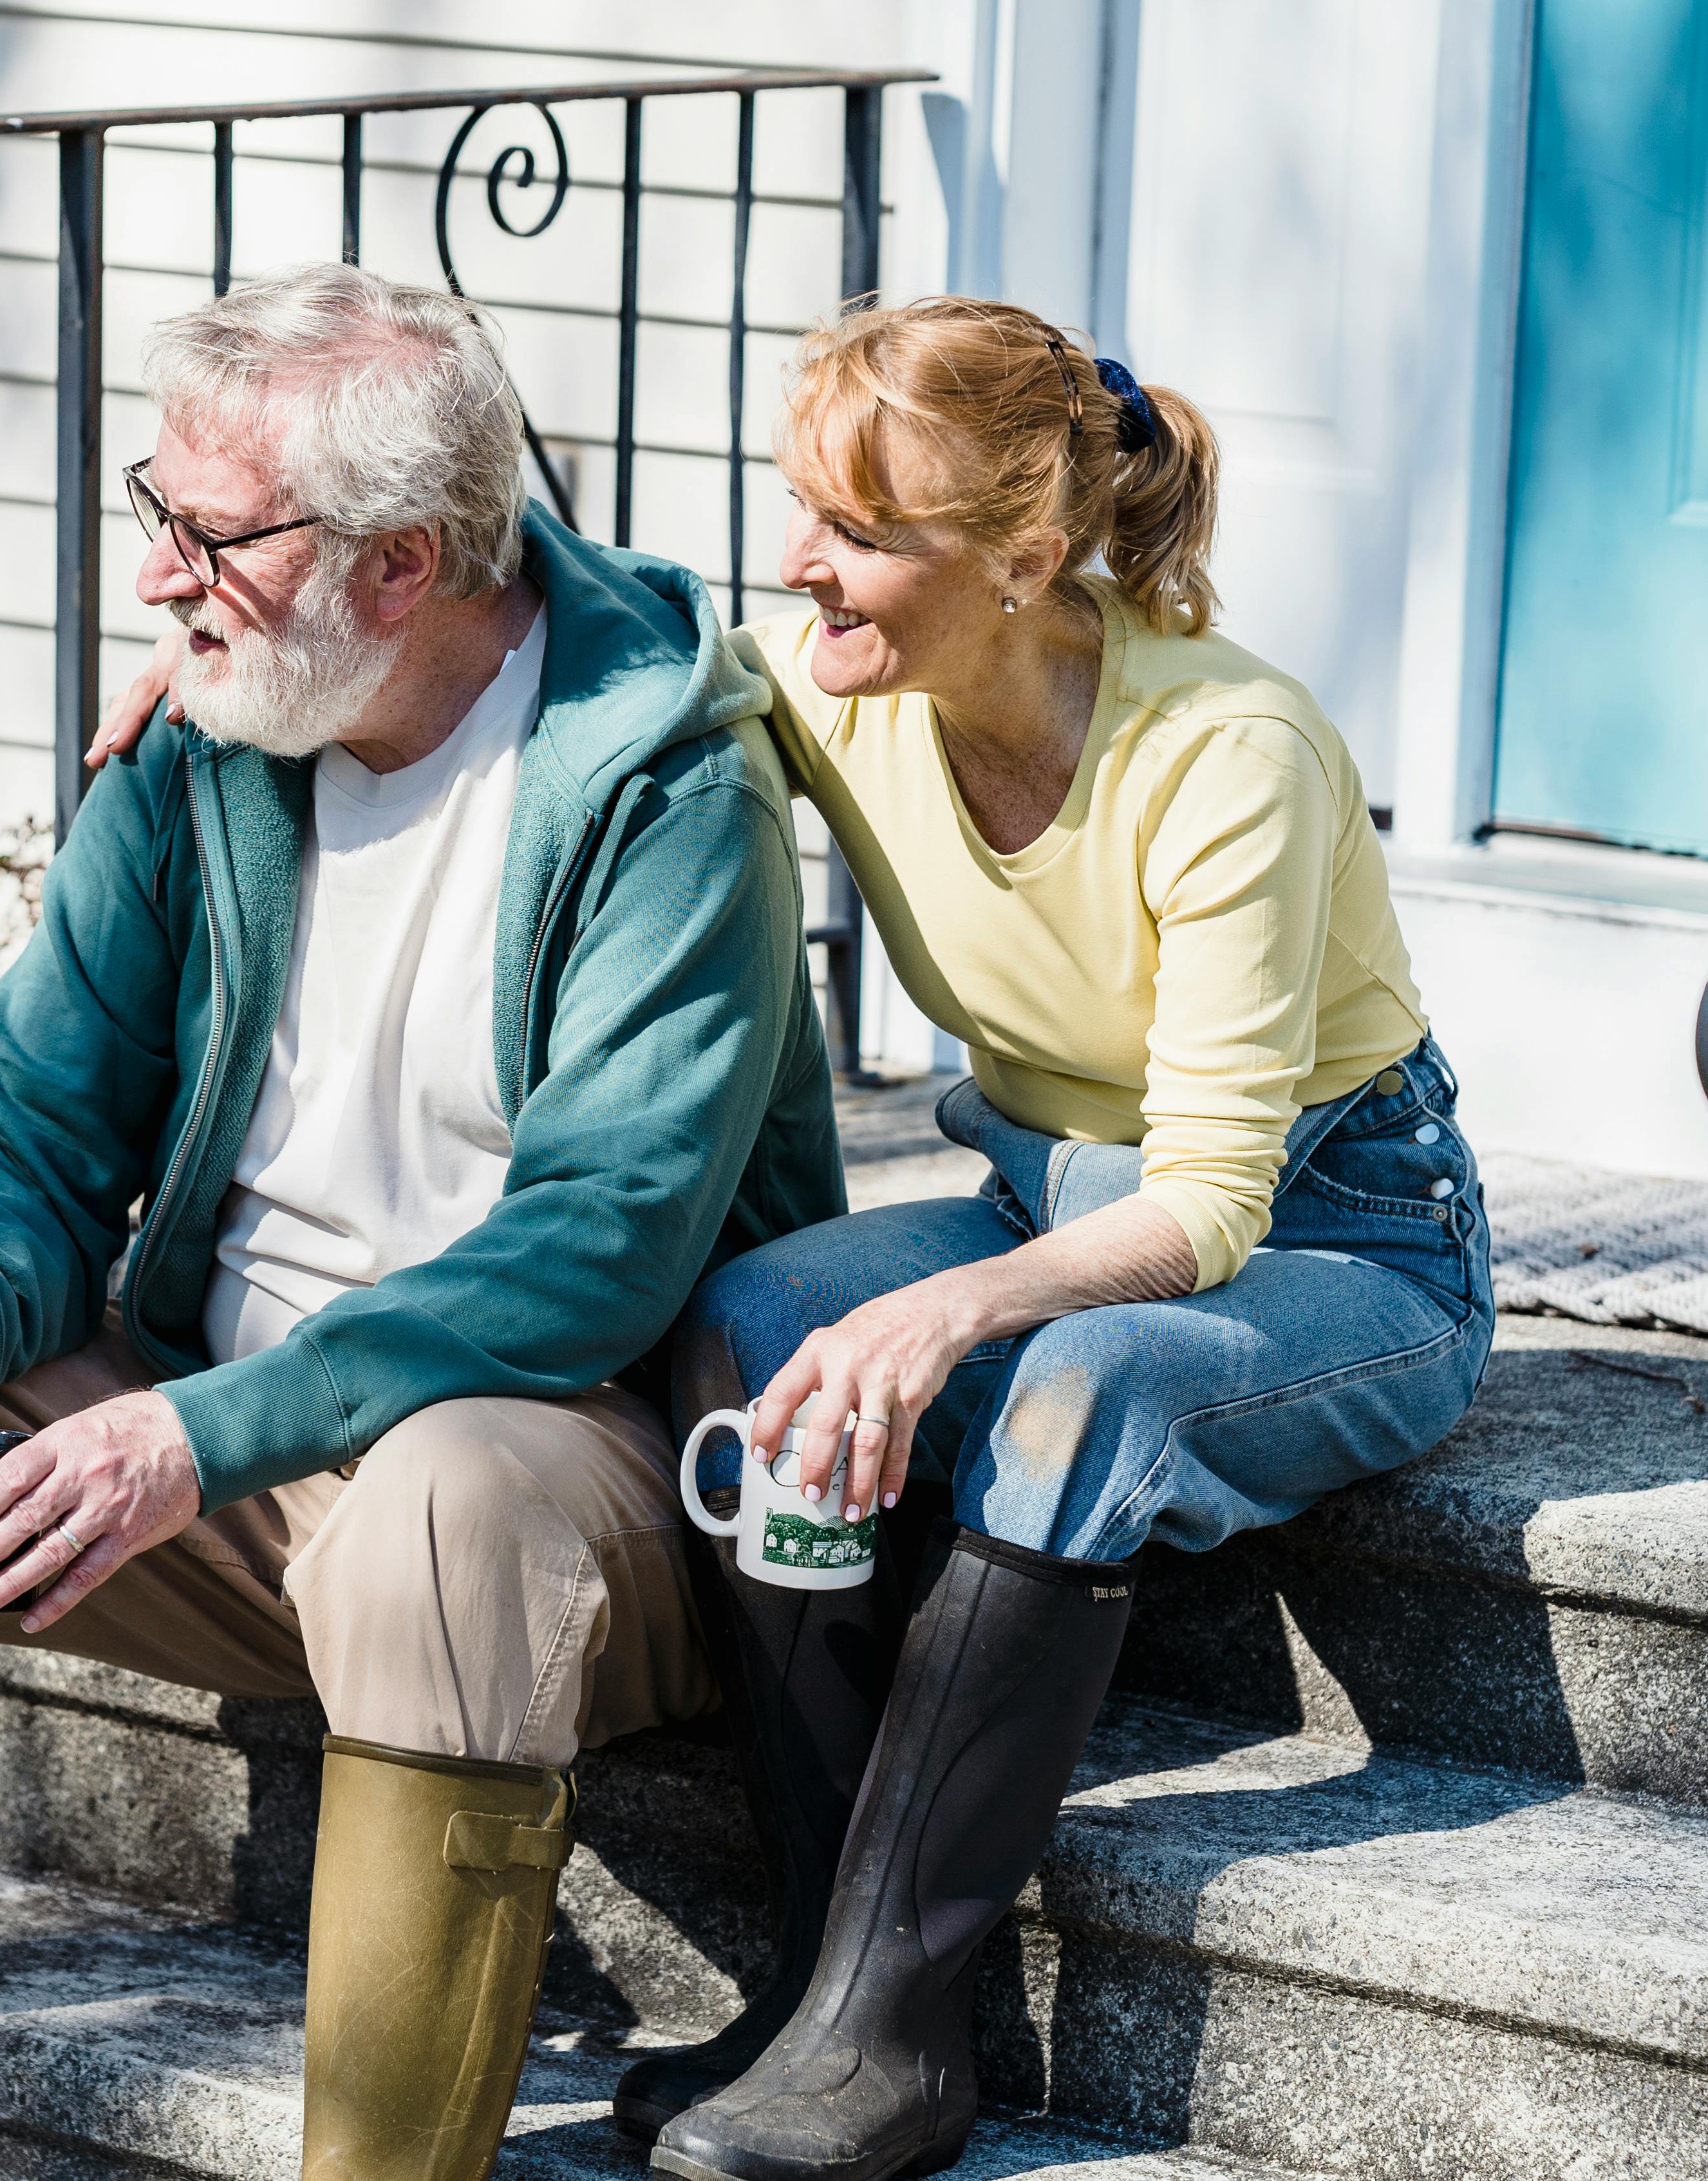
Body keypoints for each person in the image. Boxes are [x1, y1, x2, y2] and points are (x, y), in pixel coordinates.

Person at [97, 295, 1495, 2181]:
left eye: (854, 528)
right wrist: (236, 643)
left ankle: (900, 2028)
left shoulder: (1231, 751)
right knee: (760, 1315)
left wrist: (945, 1322)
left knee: (1075, 1397)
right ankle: (817, 1986)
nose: (793, 561)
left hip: (1343, 1235)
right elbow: (540, 591)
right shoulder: (833, 675)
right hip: (1042, 1186)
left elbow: (1214, 1202)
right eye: (794, 506)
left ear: (1019, 558)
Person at [0, 263, 844, 2181]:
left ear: (405, 565)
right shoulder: (207, 741)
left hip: (562, 1463)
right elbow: (23, 1114)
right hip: (217, 1435)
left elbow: (600, 1246)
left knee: (440, 1509)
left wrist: (197, 1436)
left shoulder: (666, 791)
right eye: (156, 509)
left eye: (217, 534)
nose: (161, 577)